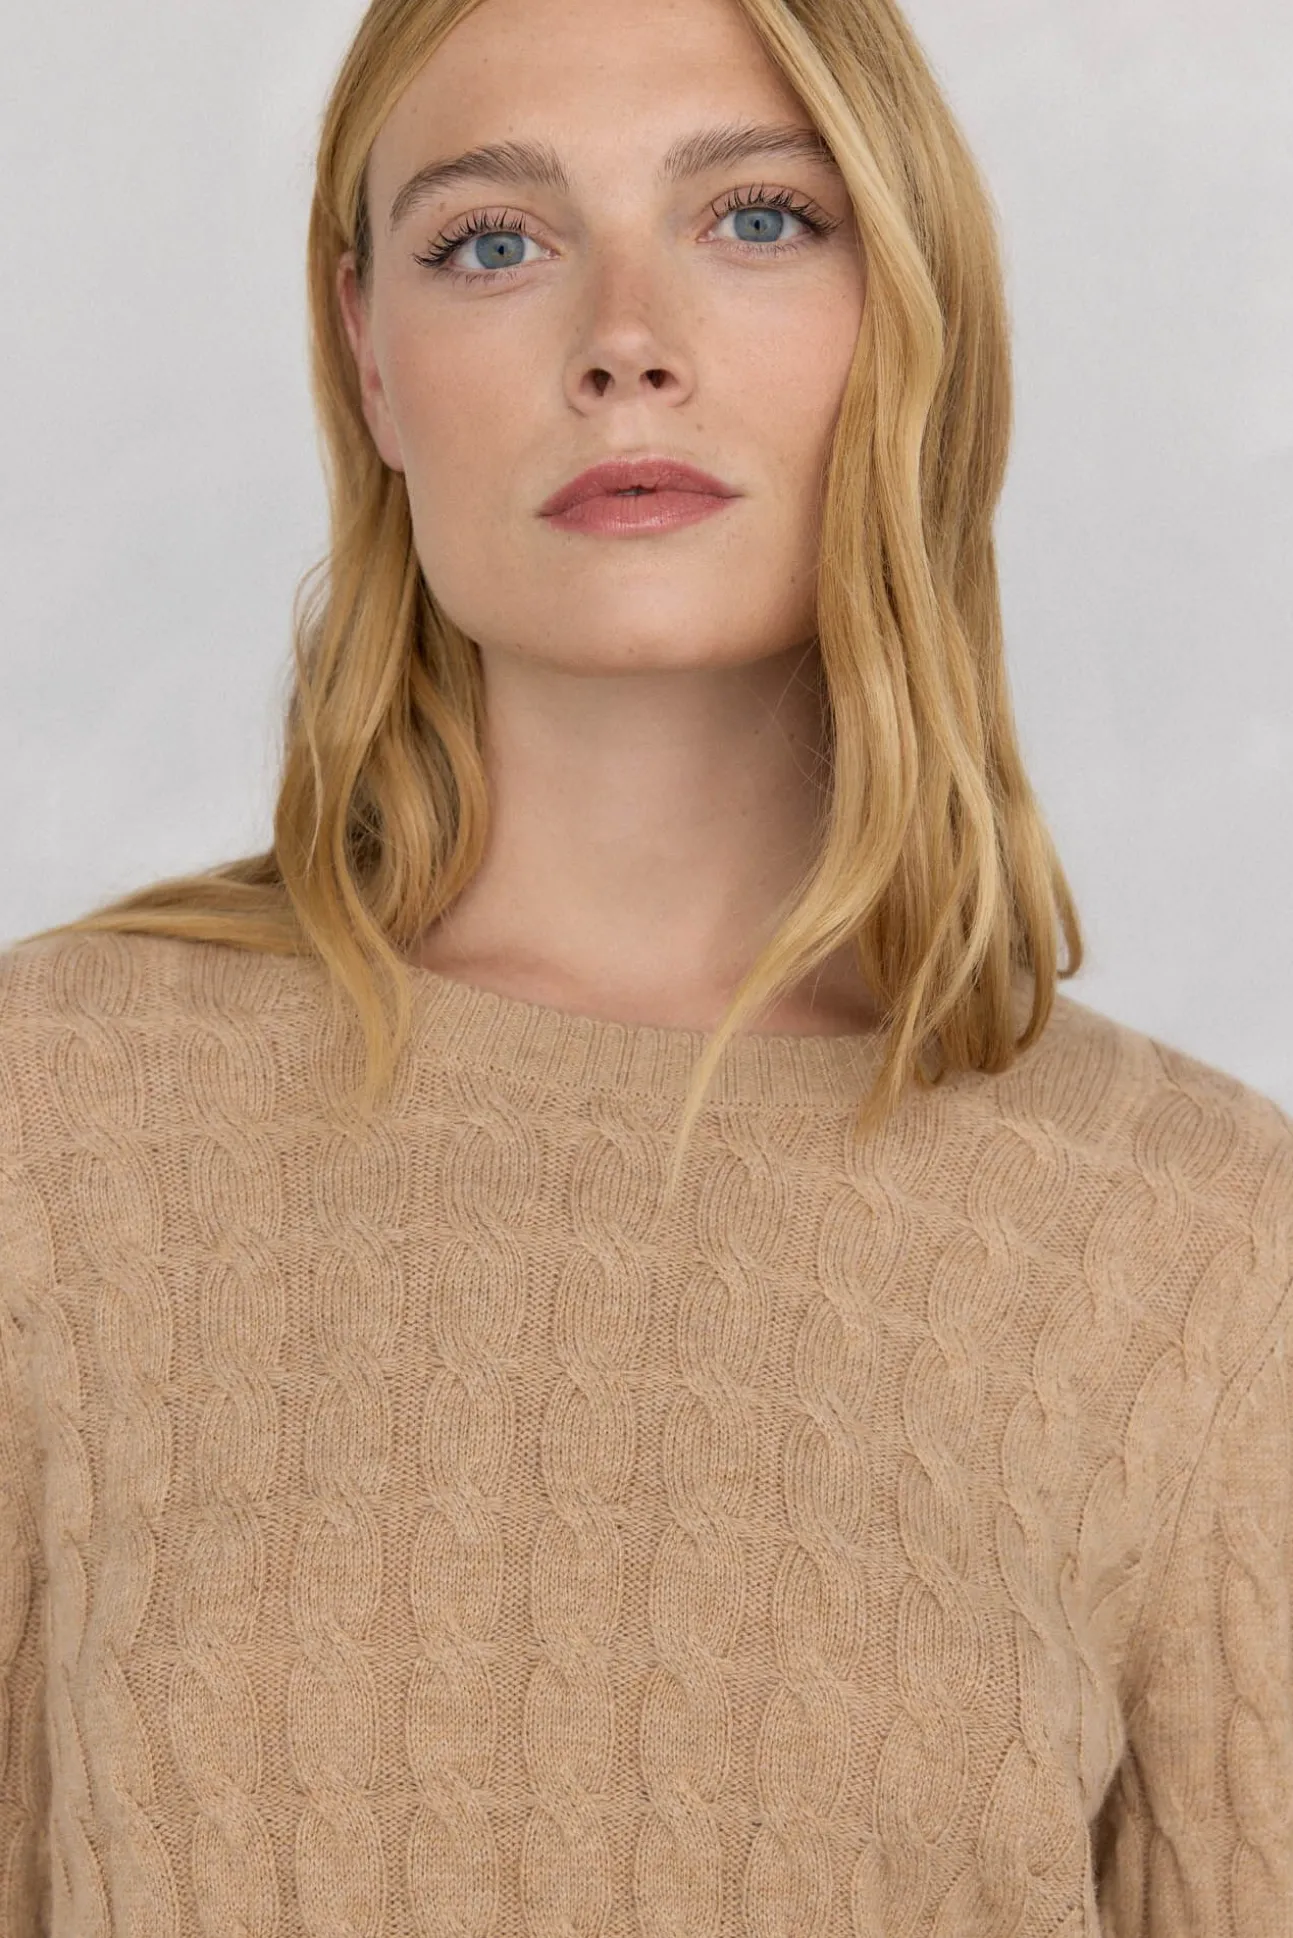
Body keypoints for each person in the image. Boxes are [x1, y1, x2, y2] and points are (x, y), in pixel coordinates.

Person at [1, 0, 1288, 1931]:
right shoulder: (50, 1119)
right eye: (492, 242)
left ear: (912, 307)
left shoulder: (1202, 1251)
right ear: (369, 355)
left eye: (758, 217)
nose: (625, 341)